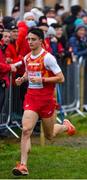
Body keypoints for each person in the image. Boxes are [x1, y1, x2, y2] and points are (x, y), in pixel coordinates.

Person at [12, 28, 76, 176]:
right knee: (26, 130)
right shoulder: (27, 58)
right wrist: (22, 79)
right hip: (31, 98)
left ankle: (66, 126)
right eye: (28, 39)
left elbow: (61, 78)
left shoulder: (48, 58)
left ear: (41, 41)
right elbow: (29, 72)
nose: (30, 42)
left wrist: (43, 79)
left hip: (46, 100)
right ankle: (23, 165)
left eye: (33, 39)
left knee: (50, 135)